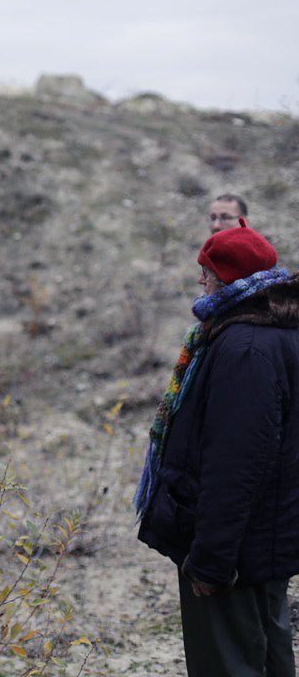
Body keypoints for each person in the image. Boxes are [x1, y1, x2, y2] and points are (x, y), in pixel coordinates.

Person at [135, 220, 299, 675]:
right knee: (268, 657)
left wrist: (209, 560)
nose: (200, 281)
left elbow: (237, 465)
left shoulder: (243, 347)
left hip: (235, 554)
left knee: (229, 664)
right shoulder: (274, 331)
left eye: (205, 272)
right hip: (263, 543)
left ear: (227, 279)